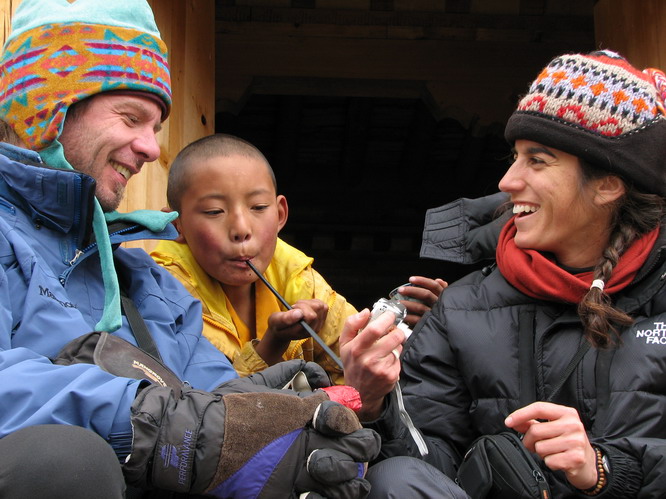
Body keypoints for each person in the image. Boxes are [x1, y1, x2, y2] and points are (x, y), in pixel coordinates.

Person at [0, 1, 386, 497]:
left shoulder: (145, 280)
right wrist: (154, 420)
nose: (151, 149)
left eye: (156, 128)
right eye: (131, 117)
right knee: (66, 463)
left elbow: (207, 402)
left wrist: (268, 414)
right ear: (47, 110)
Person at [342, 50, 666, 497]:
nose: (507, 181)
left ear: (609, 183)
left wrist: (604, 470)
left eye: (538, 160)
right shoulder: (461, 308)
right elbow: (426, 466)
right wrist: (374, 403)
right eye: (515, 157)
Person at [150, 133, 447, 382]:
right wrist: (272, 345)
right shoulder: (161, 291)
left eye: (258, 207)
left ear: (280, 214)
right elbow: (193, 409)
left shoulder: (298, 279)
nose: (241, 229)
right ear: (175, 226)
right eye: (215, 211)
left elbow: (359, 368)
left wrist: (437, 326)